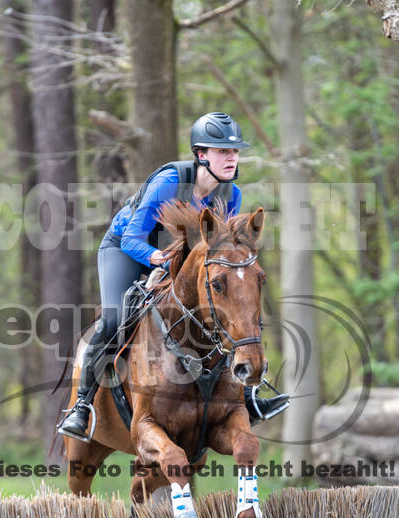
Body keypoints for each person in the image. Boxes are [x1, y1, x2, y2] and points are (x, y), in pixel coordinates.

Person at [60, 112, 289, 440]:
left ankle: (247, 397)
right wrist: (155, 262)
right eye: (222, 151)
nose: (231, 158)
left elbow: (217, 253)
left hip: (175, 260)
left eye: (235, 152)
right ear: (201, 155)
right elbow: (130, 239)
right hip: (126, 250)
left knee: (219, 313)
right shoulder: (169, 182)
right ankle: (82, 406)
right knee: (114, 319)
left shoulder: (231, 194)